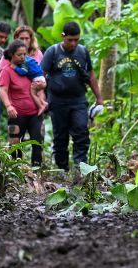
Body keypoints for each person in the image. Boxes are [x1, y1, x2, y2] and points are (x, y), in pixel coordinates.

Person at [40, 21, 103, 172]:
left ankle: (81, 167)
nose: (73, 43)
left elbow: (91, 75)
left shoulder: (82, 52)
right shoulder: (52, 52)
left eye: (76, 39)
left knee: (82, 131)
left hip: (78, 100)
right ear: (63, 36)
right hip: (57, 101)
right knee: (60, 136)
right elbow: (41, 77)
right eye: (70, 40)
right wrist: (42, 99)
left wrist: (99, 97)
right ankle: (62, 168)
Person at [0, 40, 46, 165]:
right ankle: (16, 170)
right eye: (20, 54)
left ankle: (37, 171)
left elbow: (38, 84)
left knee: (38, 142)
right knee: (15, 143)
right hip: (17, 114)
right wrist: (8, 106)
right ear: (12, 55)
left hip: (35, 113)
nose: (23, 57)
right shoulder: (7, 71)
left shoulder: (28, 68)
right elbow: (2, 90)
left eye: (25, 54)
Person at [0, 25, 47, 115]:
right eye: (21, 38)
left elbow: (42, 72)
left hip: (36, 99)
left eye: (27, 38)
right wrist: (7, 102)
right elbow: (0, 74)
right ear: (16, 39)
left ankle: (41, 105)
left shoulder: (37, 53)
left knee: (38, 128)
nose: (24, 41)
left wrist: (42, 92)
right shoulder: (10, 55)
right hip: (17, 103)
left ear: (31, 39)